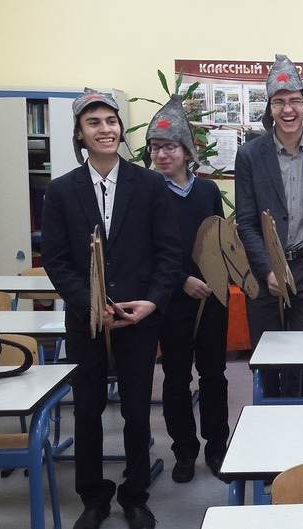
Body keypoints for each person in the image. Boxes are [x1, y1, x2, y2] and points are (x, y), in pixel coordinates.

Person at [42, 88, 182, 529]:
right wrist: (89, 305)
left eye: (110, 121)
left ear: (120, 128)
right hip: (87, 320)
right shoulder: (61, 191)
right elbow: (56, 260)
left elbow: (169, 252)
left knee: (137, 410)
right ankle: (94, 496)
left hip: (137, 317)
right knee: (87, 409)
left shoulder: (151, 184)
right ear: (79, 134)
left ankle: (135, 494)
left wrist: (152, 302)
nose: (105, 129)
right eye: (93, 123)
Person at [235, 54, 303, 397]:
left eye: (295, 100)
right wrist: (267, 270)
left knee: (302, 354)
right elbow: (246, 222)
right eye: (279, 102)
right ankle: (269, 413)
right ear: (270, 108)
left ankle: (297, 414)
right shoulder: (250, 155)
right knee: (268, 355)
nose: (288, 109)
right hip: (263, 269)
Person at [141, 94, 229, 483]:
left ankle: (216, 446)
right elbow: (144, 250)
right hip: (171, 300)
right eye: (155, 147)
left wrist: (216, 277)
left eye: (170, 147)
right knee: (176, 377)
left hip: (212, 299)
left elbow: (219, 240)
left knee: (214, 375)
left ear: (187, 151)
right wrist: (182, 280)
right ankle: (184, 450)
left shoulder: (207, 192)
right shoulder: (147, 192)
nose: (162, 155)